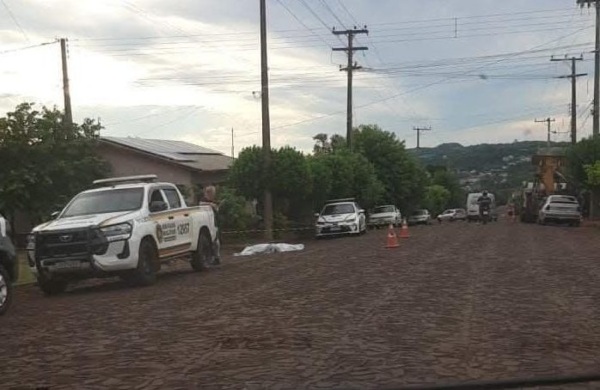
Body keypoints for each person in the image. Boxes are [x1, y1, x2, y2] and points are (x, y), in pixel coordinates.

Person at [200, 185, 221, 265]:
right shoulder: (203, 200)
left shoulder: (214, 202)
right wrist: (211, 205)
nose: (213, 195)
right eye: (212, 193)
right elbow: (200, 204)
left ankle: (216, 257)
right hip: (206, 224)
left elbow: (217, 211)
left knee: (216, 241)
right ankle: (210, 258)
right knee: (210, 242)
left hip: (214, 223)